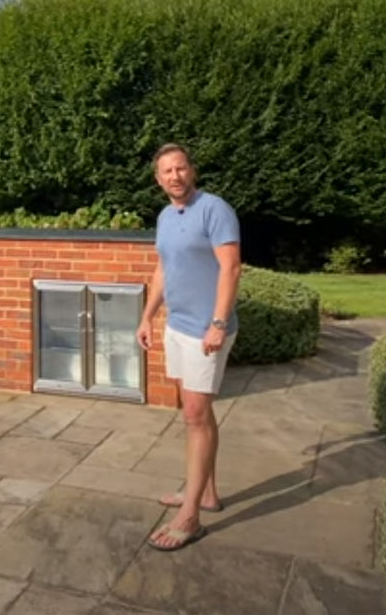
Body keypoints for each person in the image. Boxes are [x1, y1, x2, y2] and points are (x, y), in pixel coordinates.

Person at [135, 142, 241, 551]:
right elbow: (163, 267)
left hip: (206, 330)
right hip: (177, 326)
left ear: (191, 171)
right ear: (158, 179)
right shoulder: (165, 216)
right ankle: (207, 492)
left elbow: (231, 267)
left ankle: (191, 514)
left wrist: (217, 323)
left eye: (180, 168)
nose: (175, 176)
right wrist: (147, 316)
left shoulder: (215, 209)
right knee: (195, 411)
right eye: (166, 171)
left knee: (195, 416)